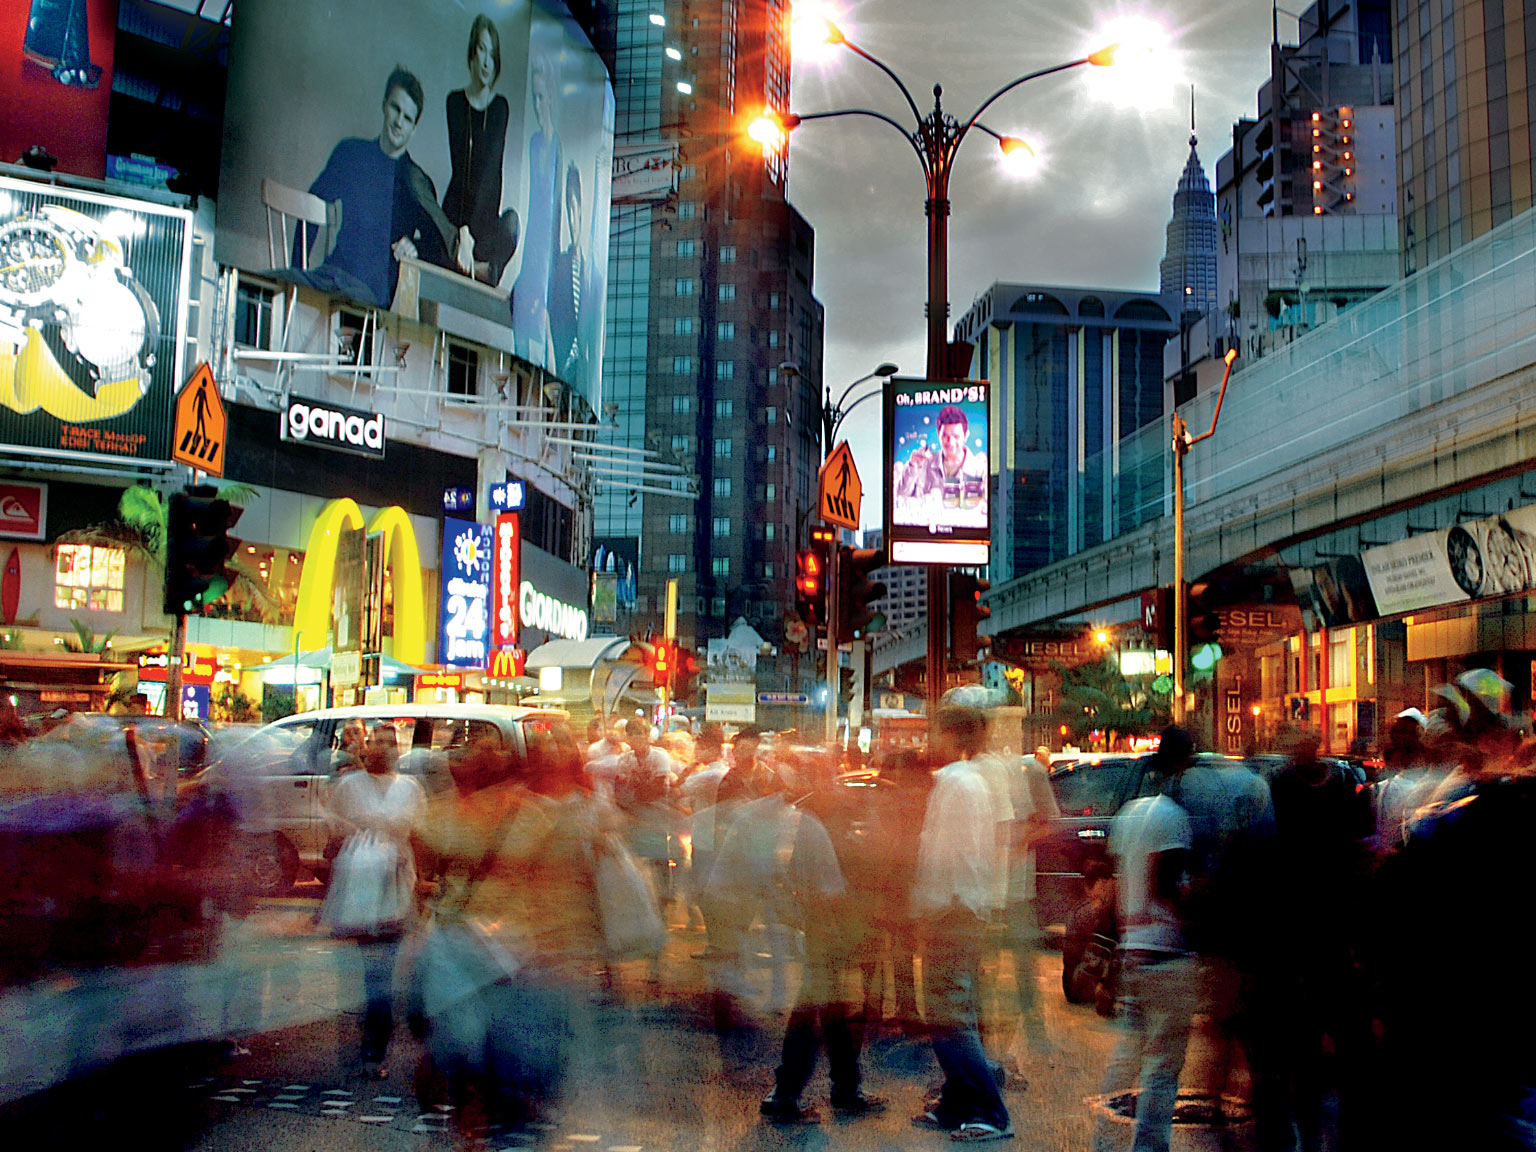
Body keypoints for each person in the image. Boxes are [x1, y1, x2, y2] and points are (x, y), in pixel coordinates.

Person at [910, 704, 1012, 1142]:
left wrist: (929, 908)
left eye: (934, 732)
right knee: (951, 1012)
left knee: (950, 1013)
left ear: (951, 736)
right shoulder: (969, 780)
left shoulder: (955, 781)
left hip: (952, 911)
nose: (929, 741)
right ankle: (956, 1102)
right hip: (963, 908)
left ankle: (990, 1111)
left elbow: (943, 855)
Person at [1092, 725, 1197, 1152]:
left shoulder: (1128, 815)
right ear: (1184, 762)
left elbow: (1115, 888)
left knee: (1125, 1059)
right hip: (1166, 953)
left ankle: (1106, 1143)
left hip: (1133, 951)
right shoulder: (1174, 818)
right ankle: (1148, 1147)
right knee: (1162, 1067)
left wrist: (1106, 961)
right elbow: (1168, 884)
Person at [288, 67, 456, 309]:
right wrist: (296, 270)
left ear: (414, 129)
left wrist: (415, 248)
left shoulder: (416, 182)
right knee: (262, 286)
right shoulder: (351, 154)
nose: (399, 122)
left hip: (369, 296)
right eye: (395, 109)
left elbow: (438, 248)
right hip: (330, 276)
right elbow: (310, 208)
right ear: (384, 105)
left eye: (408, 118)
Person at [324, 723, 428, 1079]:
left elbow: (420, 836)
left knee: (383, 974)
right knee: (364, 975)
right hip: (357, 892)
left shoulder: (410, 789)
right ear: (367, 747)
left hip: (396, 888)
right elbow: (333, 835)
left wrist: (421, 884)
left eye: (390, 742)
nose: (383, 748)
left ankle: (374, 1050)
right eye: (377, 742)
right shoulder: (349, 786)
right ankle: (363, 1046)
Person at [442, 14, 520, 286]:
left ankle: (474, 265)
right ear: (472, 53)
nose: (487, 62)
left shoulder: (500, 107)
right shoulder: (454, 102)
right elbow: (459, 167)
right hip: (457, 220)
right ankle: (477, 268)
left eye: (492, 54)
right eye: (482, 50)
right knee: (432, 233)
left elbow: (490, 174)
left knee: (511, 223)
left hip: (485, 226)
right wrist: (463, 232)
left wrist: (473, 234)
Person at [511, 55, 562, 366]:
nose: (538, 104)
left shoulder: (558, 146)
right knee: (518, 309)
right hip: (531, 247)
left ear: (552, 98)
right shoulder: (534, 143)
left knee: (539, 321)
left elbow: (554, 220)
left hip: (547, 257)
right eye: (534, 97)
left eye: (542, 96)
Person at [548, 164, 597, 383]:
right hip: (557, 365)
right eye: (570, 209)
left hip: (582, 371)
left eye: (577, 210)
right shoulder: (558, 264)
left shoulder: (593, 277)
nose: (573, 219)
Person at [895, 405, 988, 505]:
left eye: (956, 436)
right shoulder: (923, 464)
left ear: (966, 436)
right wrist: (912, 467)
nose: (950, 442)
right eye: (945, 436)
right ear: (938, 435)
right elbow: (899, 497)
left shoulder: (980, 470)